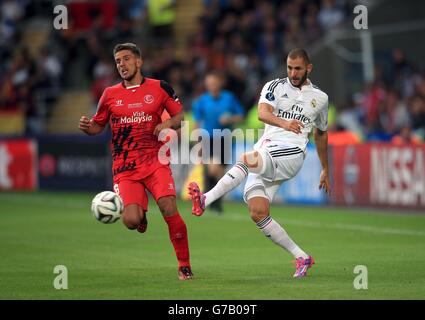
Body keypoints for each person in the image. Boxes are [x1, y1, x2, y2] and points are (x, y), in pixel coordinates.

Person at [188, 48, 331, 278]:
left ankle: (206, 199)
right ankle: (302, 257)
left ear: (309, 68)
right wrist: (285, 124)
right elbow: (263, 113)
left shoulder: (320, 98)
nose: (293, 73)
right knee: (257, 211)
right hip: (267, 149)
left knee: (246, 159)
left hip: (292, 153)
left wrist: (325, 168)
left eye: (298, 69)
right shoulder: (274, 86)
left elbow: (321, 134)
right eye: (289, 68)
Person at [79, 43, 193, 280]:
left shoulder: (160, 88)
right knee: (131, 221)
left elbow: (179, 116)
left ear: (139, 62)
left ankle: (184, 265)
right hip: (125, 166)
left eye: (126, 59)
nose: (122, 64)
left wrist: (167, 124)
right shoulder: (109, 94)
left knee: (169, 207)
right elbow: (98, 125)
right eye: (118, 61)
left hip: (155, 160)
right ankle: (141, 217)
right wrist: (88, 127)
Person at [192, 71, 245, 213]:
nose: (212, 86)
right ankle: (211, 201)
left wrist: (230, 119)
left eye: (214, 83)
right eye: (209, 84)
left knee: (219, 172)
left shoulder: (229, 98)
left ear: (219, 83)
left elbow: (241, 116)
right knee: (213, 168)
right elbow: (197, 123)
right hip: (208, 138)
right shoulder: (202, 101)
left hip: (226, 139)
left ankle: (213, 202)